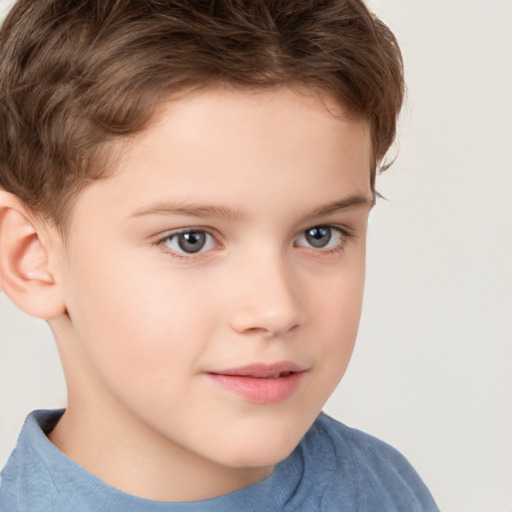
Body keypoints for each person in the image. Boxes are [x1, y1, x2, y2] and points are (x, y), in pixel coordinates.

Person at [0, 0, 440, 510]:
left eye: (319, 234)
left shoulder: (382, 485)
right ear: (32, 259)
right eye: (191, 239)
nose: (277, 309)